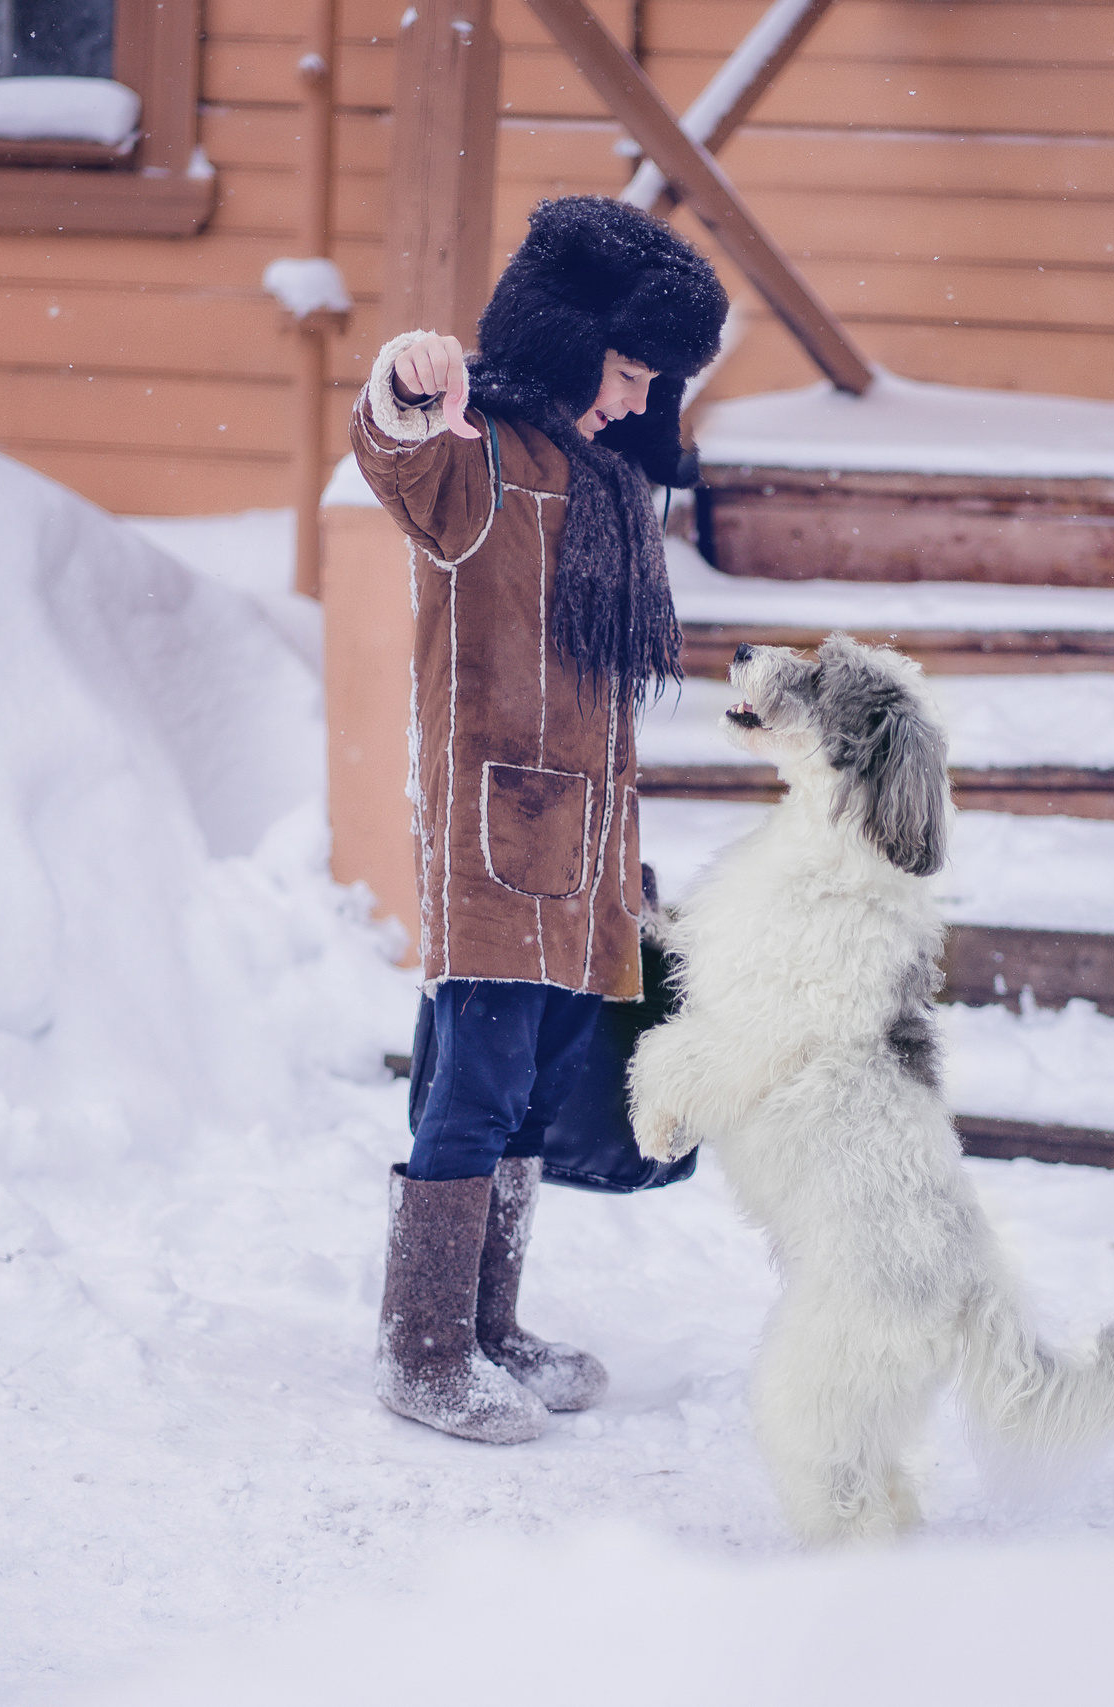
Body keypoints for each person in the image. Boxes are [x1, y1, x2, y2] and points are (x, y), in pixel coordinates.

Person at [348, 196, 728, 1444]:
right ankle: (421, 1349)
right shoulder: (485, 464)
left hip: (584, 847)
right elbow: (397, 456)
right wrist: (406, 392)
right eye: (625, 371)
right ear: (568, 344)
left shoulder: (609, 487)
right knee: (476, 1079)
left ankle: (483, 1325)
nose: (633, 400)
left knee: (519, 1094)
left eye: (651, 381)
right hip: (495, 834)